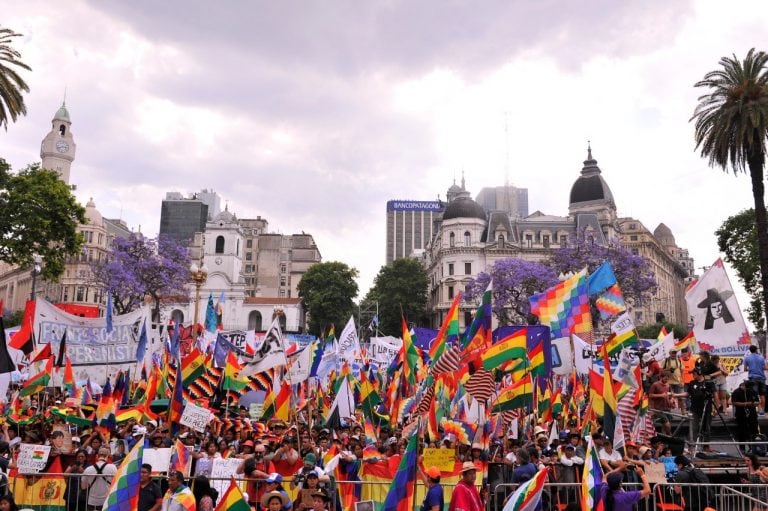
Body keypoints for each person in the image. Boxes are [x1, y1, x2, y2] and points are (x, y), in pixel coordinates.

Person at [80, 447, 117, 511]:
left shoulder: (88, 469)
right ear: (107, 456)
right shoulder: (113, 468)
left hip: (92, 502)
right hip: (107, 501)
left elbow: (83, 487)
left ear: (97, 456)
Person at [731, 380, 760, 451]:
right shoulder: (736, 392)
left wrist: (753, 403)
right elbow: (734, 402)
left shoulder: (752, 391)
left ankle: (754, 447)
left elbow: (758, 402)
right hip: (741, 414)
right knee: (742, 431)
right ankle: (742, 447)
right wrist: (746, 404)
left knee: (754, 430)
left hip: (752, 413)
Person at [744, 345, 767, 414]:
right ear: (756, 350)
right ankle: (762, 410)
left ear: (750, 350)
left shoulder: (747, 358)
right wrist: (759, 368)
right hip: (762, 377)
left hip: (753, 378)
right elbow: (766, 367)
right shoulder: (761, 357)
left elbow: (745, 369)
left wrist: (751, 368)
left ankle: (759, 409)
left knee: (755, 394)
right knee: (762, 394)